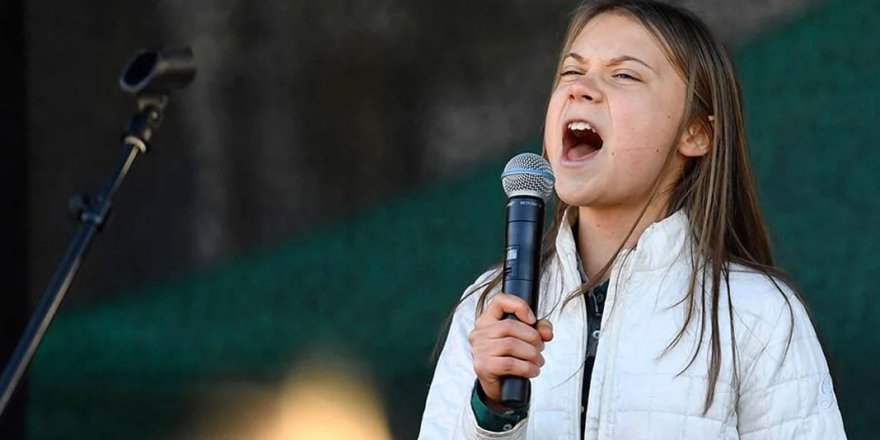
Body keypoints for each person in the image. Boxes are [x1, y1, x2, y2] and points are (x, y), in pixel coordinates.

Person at [418, 1, 848, 439]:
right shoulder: (487, 308)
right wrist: (491, 412)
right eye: (571, 72)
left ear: (696, 132)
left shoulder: (757, 315)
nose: (581, 89)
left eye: (624, 75)